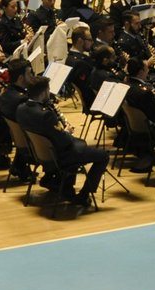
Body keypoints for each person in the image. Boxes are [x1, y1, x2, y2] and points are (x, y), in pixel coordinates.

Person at [16, 74, 109, 207]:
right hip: (59, 155)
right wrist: (67, 131)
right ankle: (83, 195)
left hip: (39, 153)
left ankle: (59, 183)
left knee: (80, 143)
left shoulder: (21, 108)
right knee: (103, 156)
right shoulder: (45, 114)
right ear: (43, 93)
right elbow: (64, 142)